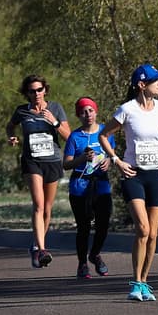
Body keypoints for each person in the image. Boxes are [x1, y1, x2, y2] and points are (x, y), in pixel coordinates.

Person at [100, 63, 158, 303]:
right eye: (157, 80)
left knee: (153, 234)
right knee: (143, 229)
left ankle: (144, 281)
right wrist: (116, 160)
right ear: (142, 85)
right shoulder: (127, 109)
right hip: (134, 175)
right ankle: (135, 283)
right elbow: (103, 135)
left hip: (157, 175)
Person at [6, 74, 70, 268]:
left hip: (52, 160)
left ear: (45, 90)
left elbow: (69, 137)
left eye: (39, 90)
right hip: (31, 161)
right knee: (39, 205)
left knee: (47, 208)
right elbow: (10, 126)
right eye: (32, 91)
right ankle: (42, 249)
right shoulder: (22, 111)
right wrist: (12, 137)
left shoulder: (56, 108)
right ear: (27, 93)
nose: (36, 94)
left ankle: (35, 245)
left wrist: (54, 122)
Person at [63, 96, 114, 279]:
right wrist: (81, 158)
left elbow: (111, 155)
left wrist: (108, 161)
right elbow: (66, 164)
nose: (88, 114)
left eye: (90, 110)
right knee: (83, 227)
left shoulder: (106, 132)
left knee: (103, 224)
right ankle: (82, 264)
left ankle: (95, 254)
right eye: (83, 112)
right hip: (80, 186)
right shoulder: (74, 137)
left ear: (96, 111)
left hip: (101, 185)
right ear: (79, 115)